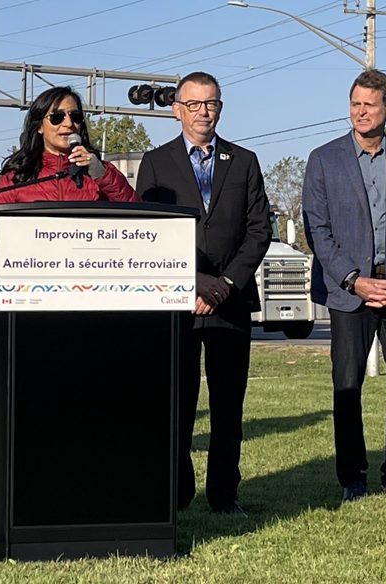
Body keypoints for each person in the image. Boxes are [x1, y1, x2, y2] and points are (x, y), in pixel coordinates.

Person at [136, 71, 271, 516]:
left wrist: (225, 284)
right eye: (193, 104)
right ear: (176, 109)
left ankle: (224, 497)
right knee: (177, 405)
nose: (203, 112)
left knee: (228, 407)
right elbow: (149, 232)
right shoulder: (155, 163)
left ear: (220, 107)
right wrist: (192, 282)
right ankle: (175, 493)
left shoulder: (244, 161)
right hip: (177, 305)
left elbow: (258, 231)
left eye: (210, 103)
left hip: (229, 304)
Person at [302, 69, 386, 502]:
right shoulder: (323, 159)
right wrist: (354, 281)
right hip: (348, 294)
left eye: (369, 105)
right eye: (355, 103)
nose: (360, 111)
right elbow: (318, 232)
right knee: (347, 388)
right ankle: (352, 479)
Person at [0, 86, 139, 203]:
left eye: (75, 116)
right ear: (39, 126)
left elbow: (138, 218)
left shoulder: (101, 172)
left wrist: (102, 175)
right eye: (57, 117)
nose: (68, 124)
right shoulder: (16, 177)